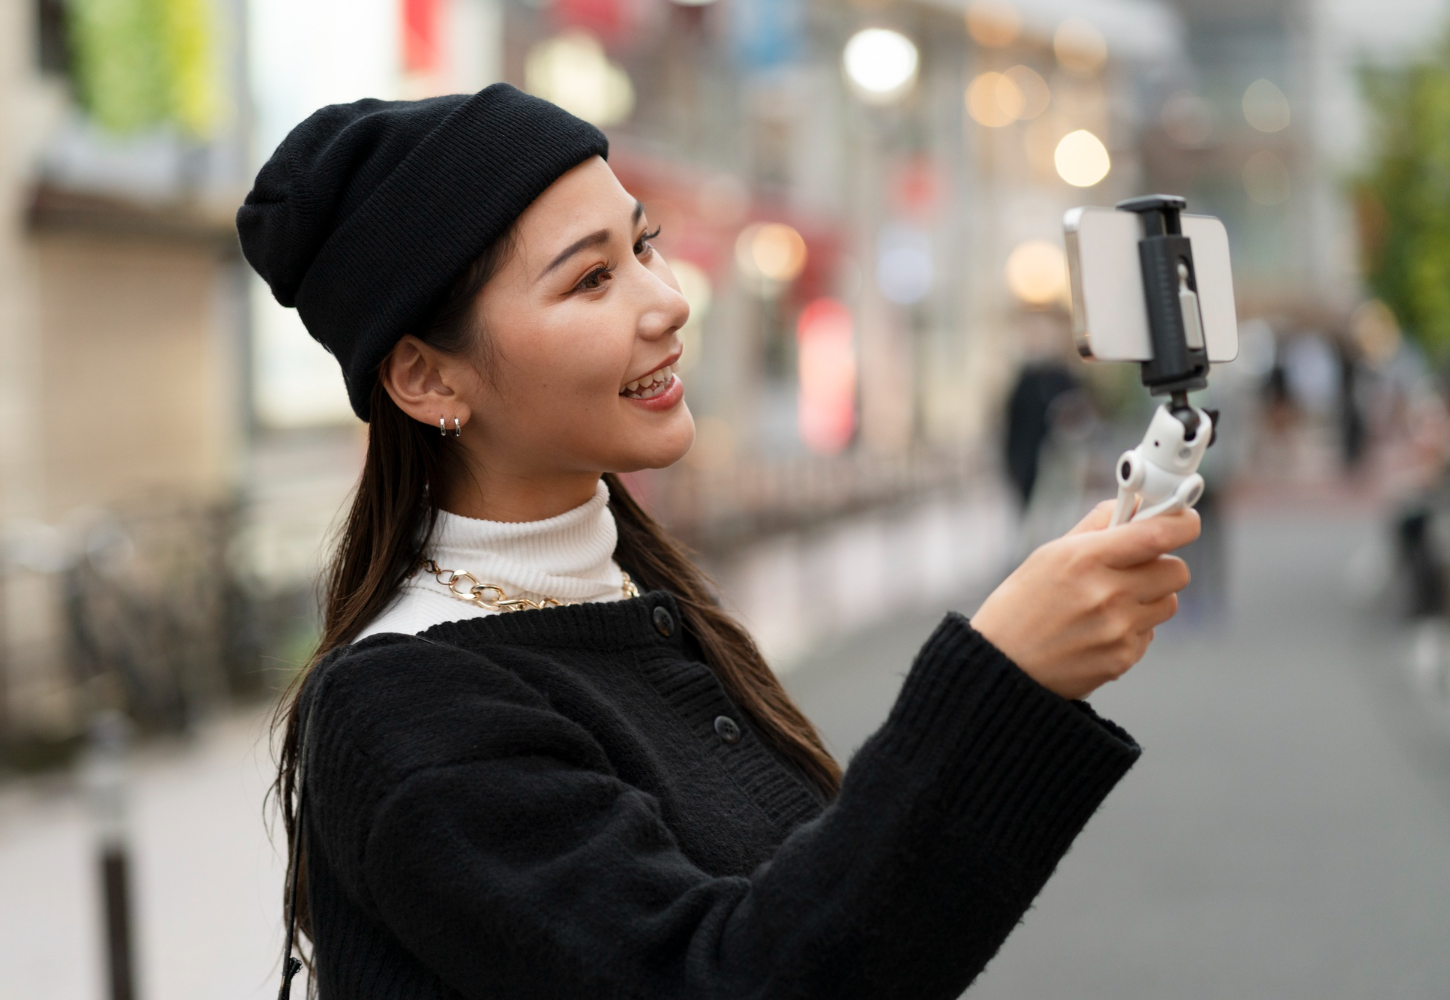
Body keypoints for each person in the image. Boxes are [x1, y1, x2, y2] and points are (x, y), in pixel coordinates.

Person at [238, 84, 1198, 998]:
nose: (667, 300)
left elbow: (815, 920)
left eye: (644, 246)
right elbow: (726, 979)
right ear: (428, 381)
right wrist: (1006, 681)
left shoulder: (630, 595)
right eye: (592, 279)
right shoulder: (408, 708)